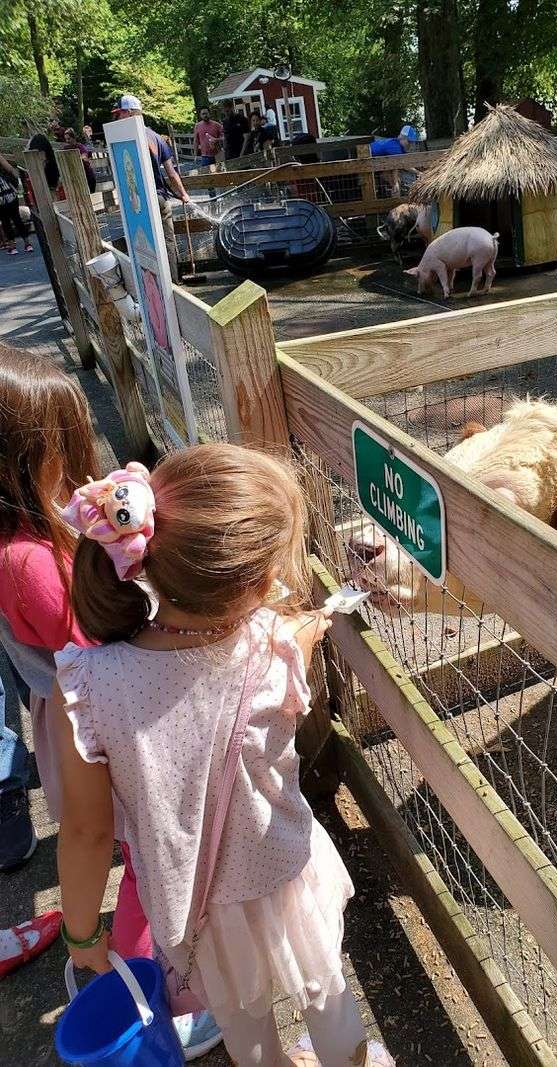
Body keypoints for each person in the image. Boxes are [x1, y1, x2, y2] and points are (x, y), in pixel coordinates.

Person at [54, 443, 396, 1067]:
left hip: (197, 908)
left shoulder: (89, 683)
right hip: (284, 875)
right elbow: (291, 640)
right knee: (325, 989)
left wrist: (82, 935)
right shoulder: (277, 651)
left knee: (242, 1022)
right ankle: (350, 1059)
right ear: (258, 585)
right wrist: (307, 629)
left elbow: (84, 831)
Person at [0, 343, 221, 1058]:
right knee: (137, 852)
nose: (76, 466)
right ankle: (137, 979)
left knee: (132, 849)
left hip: (78, 716)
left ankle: (120, 966)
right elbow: (96, 642)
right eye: (64, 449)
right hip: (90, 730)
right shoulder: (28, 560)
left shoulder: (28, 537)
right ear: (26, 459)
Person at [111, 95, 191, 284]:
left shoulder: (126, 138)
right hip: (160, 198)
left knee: (146, 243)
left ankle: (156, 285)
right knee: (167, 241)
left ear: (130, 113)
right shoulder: (156, 137)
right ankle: (173, 283)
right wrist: (183, 194)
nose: (117, 118)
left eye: (120, 113)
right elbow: (171, 173)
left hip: (141, 201)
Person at [369, 124, 420, 197]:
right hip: (367, 158)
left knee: (394, 181)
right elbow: (399, 165)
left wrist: (417, 172)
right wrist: (395, 182)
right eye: (409, 141)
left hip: (378, 163)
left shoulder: (400, 147)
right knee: (394, 183)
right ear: (403, 138)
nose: (410, 144)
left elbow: (403, 164)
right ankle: (395, 201)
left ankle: (392, 198)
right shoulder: (395, 147)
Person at [0, 153, 33, 255]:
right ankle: (27, 243)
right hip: (8, 191)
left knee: (5, 221)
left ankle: (12, 246)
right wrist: (17, 182)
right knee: (16, 218)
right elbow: (9, 169)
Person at [63, 128, 96, 194]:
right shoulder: (65, 149)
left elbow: (85, 157)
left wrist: (78, 158)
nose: (67, 141)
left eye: (69, 139)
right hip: (76, 178)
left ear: (73, 138)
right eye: (66, 139)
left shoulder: (80, 147)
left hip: (87, 176)